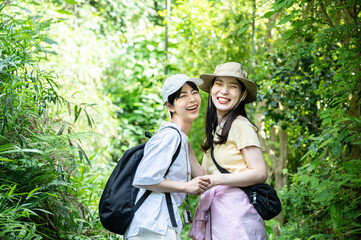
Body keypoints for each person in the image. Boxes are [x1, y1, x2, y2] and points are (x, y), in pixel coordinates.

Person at [125, 74, 210, 240]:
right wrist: (186, 187)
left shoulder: (181, 139)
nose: (192, 99)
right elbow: (144, 178)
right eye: (183, 96)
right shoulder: (169, 137)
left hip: (160, 226)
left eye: (194, 92)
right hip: (151, 227)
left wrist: (212, 141)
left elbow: (201, 176)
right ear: (170, 106)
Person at [189, 62, 268, 240]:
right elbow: (203, 175)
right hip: (218, 215)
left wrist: (217, 180)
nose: (224, 91)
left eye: (232, 86)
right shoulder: (216, 130)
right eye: (219, 84)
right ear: (211, 90)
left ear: (243, 94)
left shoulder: (240, 125)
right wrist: (184, 143)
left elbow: (260, 172)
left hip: (237, 218)